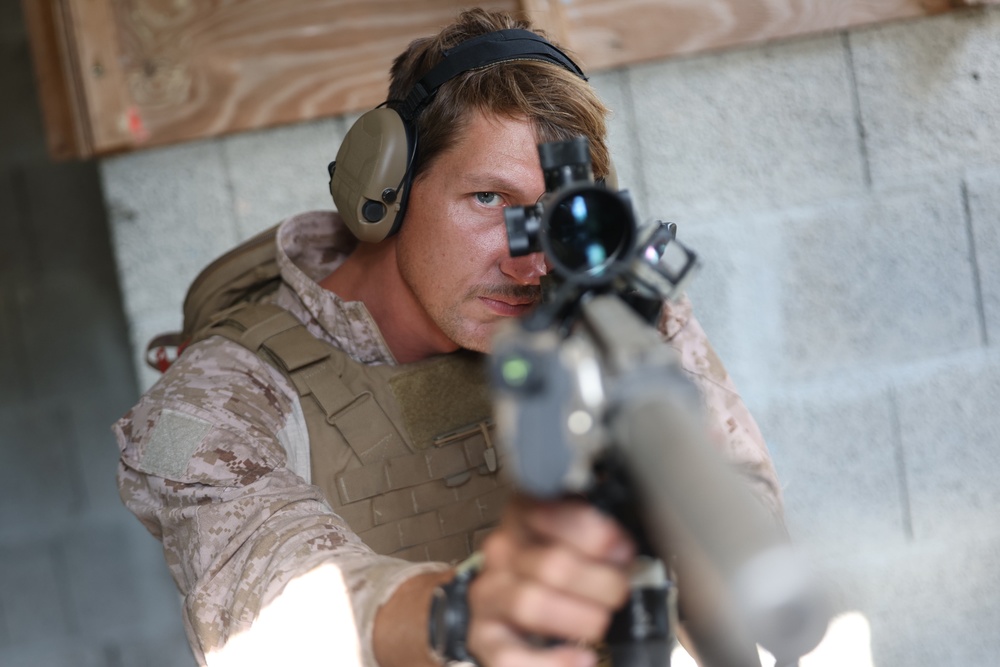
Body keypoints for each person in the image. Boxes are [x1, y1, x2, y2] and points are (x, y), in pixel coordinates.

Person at [115, 8, 783, 667]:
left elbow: (748, 521)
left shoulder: (613, 315)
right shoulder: (225, 389)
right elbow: (262, 595)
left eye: (551, 218)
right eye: (489, 199)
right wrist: (463, 613)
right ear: (392, 188)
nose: (530, 264)